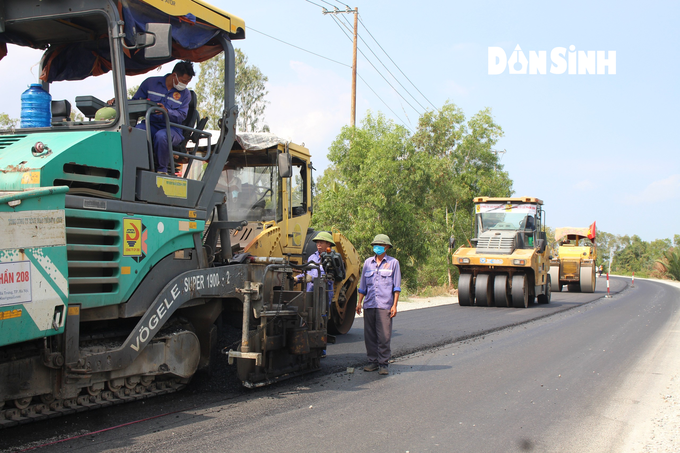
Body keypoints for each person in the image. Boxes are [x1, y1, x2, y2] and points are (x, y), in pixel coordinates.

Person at [111, 61, 195, 174]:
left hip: (172, 129)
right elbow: (135, 102)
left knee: (161, 136)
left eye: (187, 82)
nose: (184, 85)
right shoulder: (150, 83)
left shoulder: (185, 94)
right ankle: (135, 167)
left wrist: (167, 112)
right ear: (174, 75)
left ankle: (162, 171)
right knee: (136, 132)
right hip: (150, 125)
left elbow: (182, 115)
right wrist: (118, 102)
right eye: (184, 81)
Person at [356, 234, 401, 376]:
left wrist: (394, 305)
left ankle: (383, 363)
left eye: (380, 245)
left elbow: (396, 287)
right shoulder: (368, 263)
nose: (377, 247)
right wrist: (359, 302)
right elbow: (363, 285)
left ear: (387, 247)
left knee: (384, 336)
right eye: (376, 245)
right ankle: (372, 362)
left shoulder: (393, 263)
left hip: (385, 305)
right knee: (369, 335)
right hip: (369, 304)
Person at [295, 231, 335, 357]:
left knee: (320, 320)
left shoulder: (333, 258)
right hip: (310, 292)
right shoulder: (312, 257)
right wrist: (298, 278)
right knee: (307, 319)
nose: (318, 245)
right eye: (317, 242)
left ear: (328, 243)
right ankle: (307, 348)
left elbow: (329, 275)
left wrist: (311, 278)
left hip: (323, 293)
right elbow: (307, 272)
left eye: (321, 242)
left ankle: (321, 349)